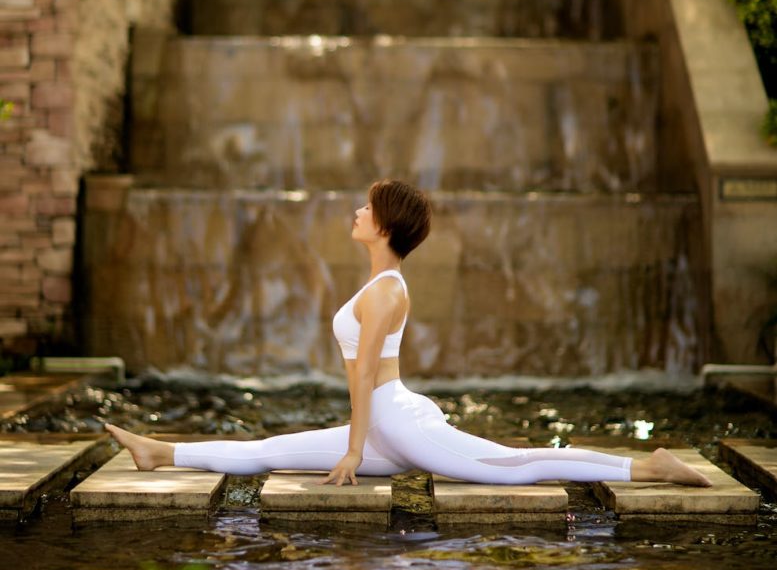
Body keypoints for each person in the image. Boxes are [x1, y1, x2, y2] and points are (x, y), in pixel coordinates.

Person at [105, 178, 711, 489]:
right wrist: (355, 442)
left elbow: (365, 374)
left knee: (512, 466)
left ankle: (646, 468)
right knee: (269, 452)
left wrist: (351, 450)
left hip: (390, 421)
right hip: (388, 423)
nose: (358, 213)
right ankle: (160, 453)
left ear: (386, 224)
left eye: (368, 208)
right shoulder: (379, 286)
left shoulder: (388, 289)